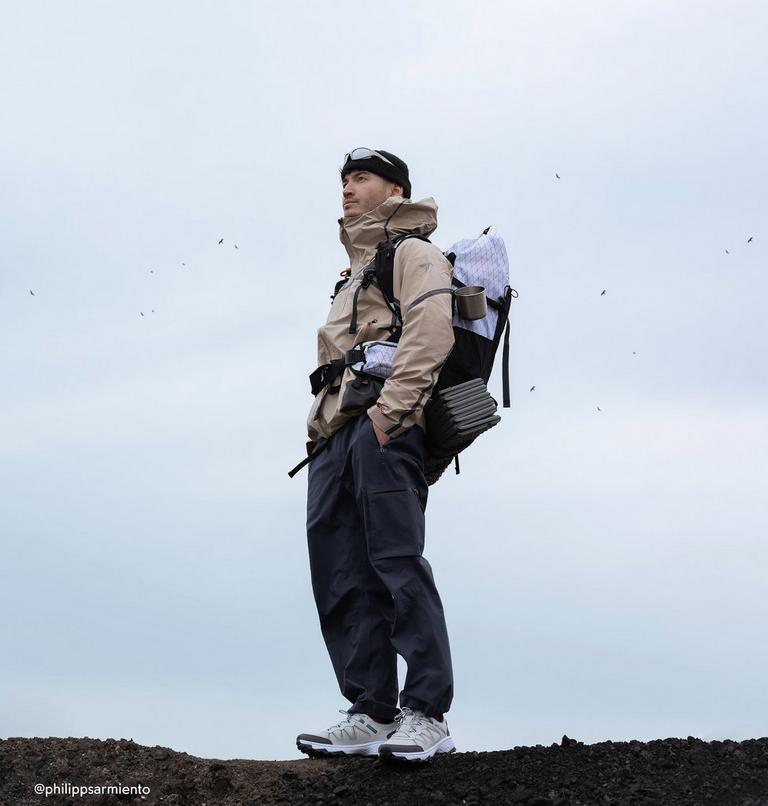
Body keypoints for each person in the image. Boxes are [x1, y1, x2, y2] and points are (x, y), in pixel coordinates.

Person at [296, 148, 457, 763]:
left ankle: (427, 714)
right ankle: (371, 712)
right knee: (340, 574)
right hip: (334, 438)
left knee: (395, 563)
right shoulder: (355, 271)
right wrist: (321, 440)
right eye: (343, 179)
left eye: (360, 178)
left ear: (395, 191)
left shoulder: (412, 253)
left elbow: (432, 331)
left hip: (382, 428)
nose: (347, 188)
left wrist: (389, 416)